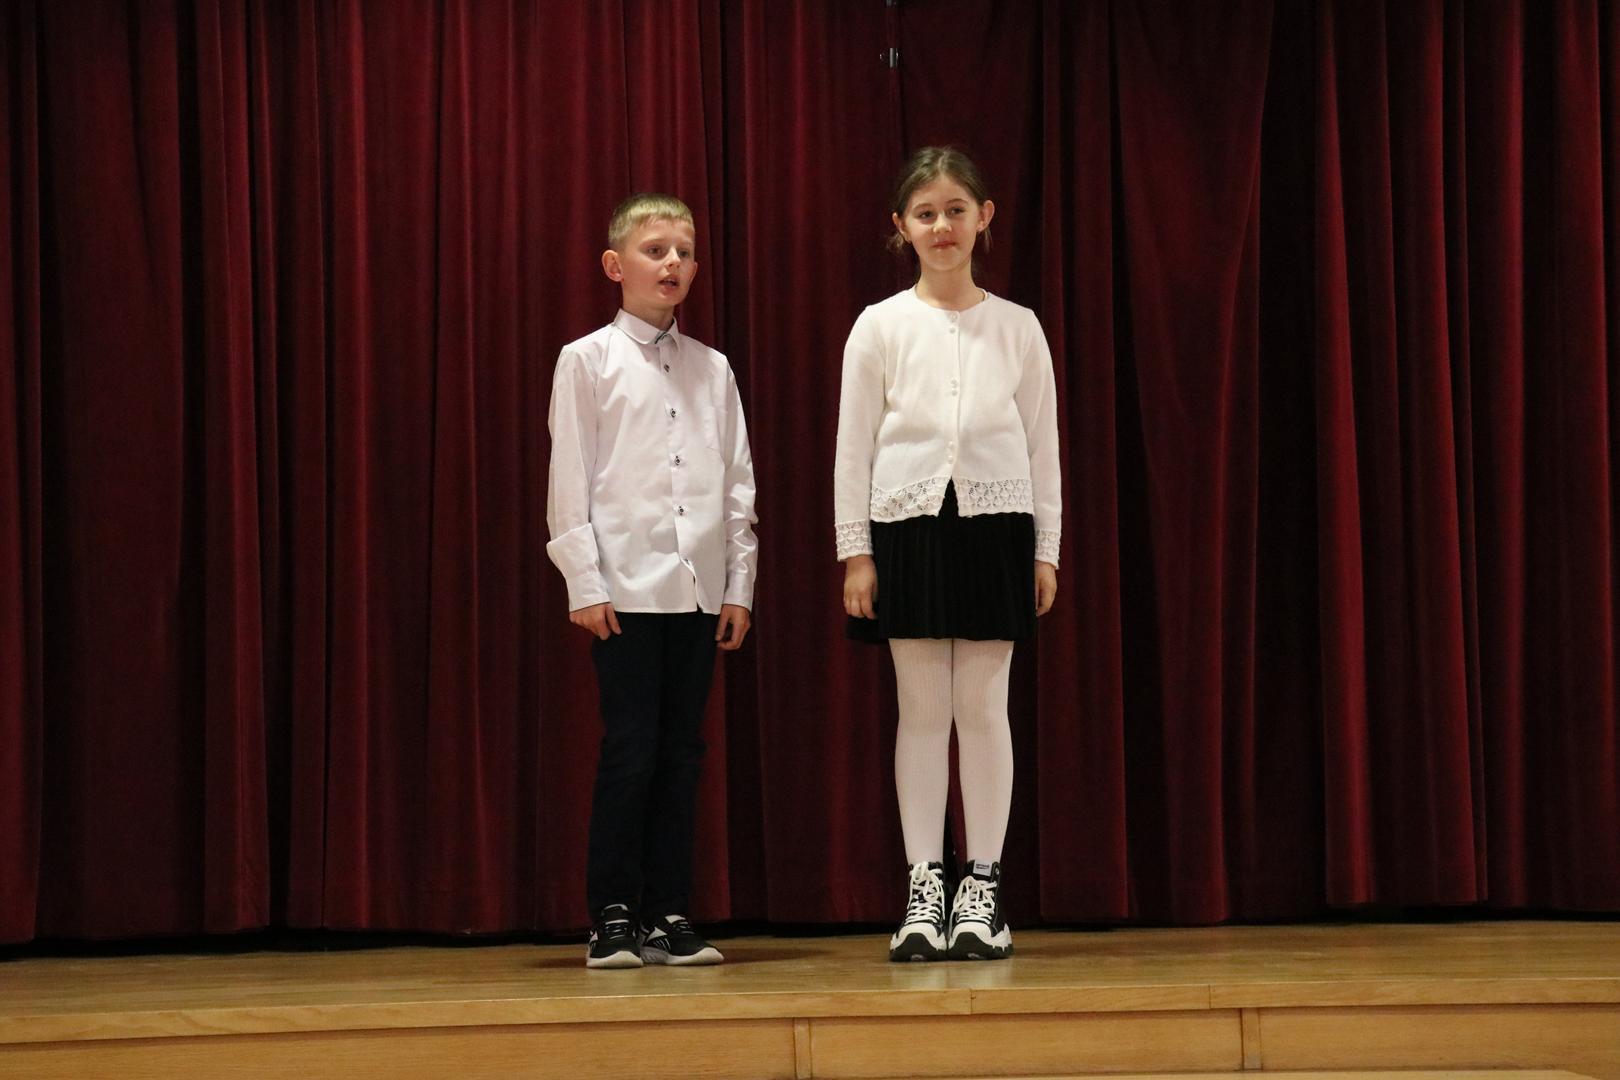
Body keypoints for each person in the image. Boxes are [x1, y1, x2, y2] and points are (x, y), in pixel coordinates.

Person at [834, 147, 1061, 962]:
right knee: (925, 712)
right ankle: (924, 886)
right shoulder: (880, 325)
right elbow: (853, 447)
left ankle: (983, 889)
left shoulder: (1018, 326)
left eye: (956, 210)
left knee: (985, 709)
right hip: (909, 526)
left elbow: (1043, 446)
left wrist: (1046, 549)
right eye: (925, 214)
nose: (942, 227)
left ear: (984, 217)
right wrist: (857, 553)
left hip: (998, 527)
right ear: (901, 226)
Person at [546, 192, 758, 968]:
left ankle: (669, 910)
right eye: (655, 249)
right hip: (626, 590)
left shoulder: (714, 369)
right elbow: (571, 474)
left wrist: (738, 585)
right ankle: (612, 913)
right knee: (631, 750)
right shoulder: (587, 361)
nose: (672, 262)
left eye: (684, 252)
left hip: (698, 591)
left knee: (682, 754)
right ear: (615, 265)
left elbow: (736, 481)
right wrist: (584, 580)